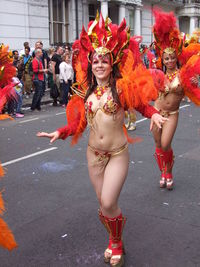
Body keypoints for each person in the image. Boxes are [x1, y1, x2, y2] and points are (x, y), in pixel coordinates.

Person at [37, 13, 166, 267]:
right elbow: (79, 124)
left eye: (104, 62)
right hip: (93, 154)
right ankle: (115, 238)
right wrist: (60, 132)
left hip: (117, 153)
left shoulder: (121, 88)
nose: (99, 65)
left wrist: (155, 114)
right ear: (90, 64)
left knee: (108, 201)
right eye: (95, 61)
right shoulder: (86, 91)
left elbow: (142, 106)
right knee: (104, 205)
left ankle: (116, 243)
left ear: (112, 64)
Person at [151, 9, 200, 190]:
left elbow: (194, 92)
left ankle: (169, 171)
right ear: (162, 60)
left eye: (172, 57)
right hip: (157, 112)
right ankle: (163, 172)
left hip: (172, 114)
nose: (170, 60)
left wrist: (196, 83)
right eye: (166, 58)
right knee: (157, 144)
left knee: (165, 144)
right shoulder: (157, 74)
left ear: (176, 58)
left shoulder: (184, 74)